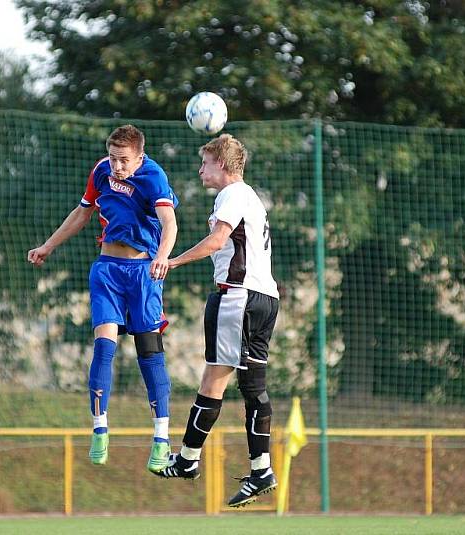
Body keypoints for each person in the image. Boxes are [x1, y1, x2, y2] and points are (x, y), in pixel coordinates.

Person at [27, 125, 178, 474]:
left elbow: (169, 223)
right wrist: (48, 246)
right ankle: (99, 428)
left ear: (139, 157)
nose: (117, 166)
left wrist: (162, 257)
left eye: (124, 160)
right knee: (104, 348)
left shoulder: (154, 176)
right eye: (113, 158)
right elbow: (82, 213)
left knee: (149, 353)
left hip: (143, 275)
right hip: (107, 270)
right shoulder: (100, 172)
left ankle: (160, 438)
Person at [156, 134, 280, 508]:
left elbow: (216, 241)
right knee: (251, 386)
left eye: (206, 163)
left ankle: (188, 460)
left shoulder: (232, 195)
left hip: (238, 297)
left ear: (222, 165)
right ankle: (261, 470)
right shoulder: (250, 196)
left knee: (215, 380)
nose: (200, 170)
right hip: (264, 298)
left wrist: (172, 261)